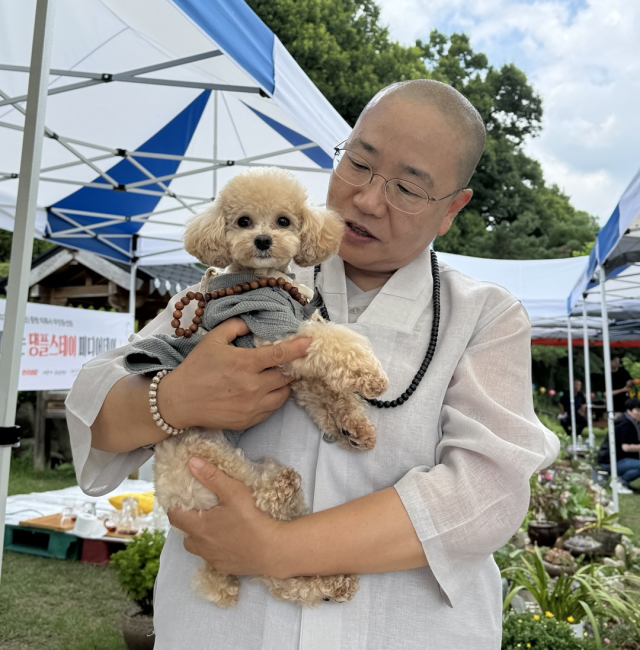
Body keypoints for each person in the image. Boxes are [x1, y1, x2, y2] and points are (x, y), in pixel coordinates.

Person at [66, 79, 560, 650]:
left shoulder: (484, 317)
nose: (368, 200)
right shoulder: (237, 281)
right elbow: (94, 399)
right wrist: (172, 398)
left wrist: (275, 549)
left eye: (406, 188)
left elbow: (486, 495)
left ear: (452, 209)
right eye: (358, 163)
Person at [597, 398, 640, 492]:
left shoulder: (628, 421)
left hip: (612, 459)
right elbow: (626, 447)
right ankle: (620, 482)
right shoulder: (625, 424)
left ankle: (620, 481)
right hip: (610, 462)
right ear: (629, 411)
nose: (639, 413)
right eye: (637, 410)